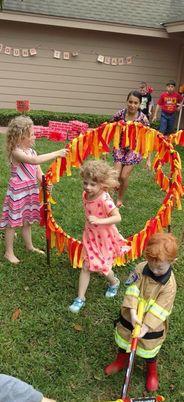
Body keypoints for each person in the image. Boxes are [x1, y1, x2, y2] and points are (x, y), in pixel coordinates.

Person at [104, 232, 178, 392]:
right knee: (124, 339)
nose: (155, 270)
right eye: (151, 265)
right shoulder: (140, 268)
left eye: (160, 267)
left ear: (172, 262)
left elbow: (161, 308)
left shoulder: (169, 286)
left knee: (149, 348)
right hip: (130, 316)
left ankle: (151, 370)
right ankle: (120, 360)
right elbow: (132, 289)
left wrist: (145, 327)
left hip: (152, 325)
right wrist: (131, 313)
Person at [0, 115, 68, 264]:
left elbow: (37, 171)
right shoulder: (16, 152)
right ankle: (8, 252)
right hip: (18, 191)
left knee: (27, 221)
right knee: (13, 222)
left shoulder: (32, 151)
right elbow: (33, 161)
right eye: (32, 134)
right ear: (21, 137)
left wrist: (44, 182)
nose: (35, 136)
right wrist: (57, 153)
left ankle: (29, 246)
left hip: (30, 189)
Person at [69, 160, 130, 314]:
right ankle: (80, 298)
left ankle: (114, 282)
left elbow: (118, 218)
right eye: (85, 183)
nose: (88, 188)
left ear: (102, 184)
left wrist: (100, 221)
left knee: (103, 266)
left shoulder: (105, 199)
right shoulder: (86, 195)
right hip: (90, 235)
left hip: (104, 237)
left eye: (92, 185)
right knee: (87, 265)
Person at [112, 90, 150, 208]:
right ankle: (109, 197)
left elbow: (148, 139)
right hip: (120, 147)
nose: (132, 105)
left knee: (123, 177)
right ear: (126, 101)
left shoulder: (143, 119)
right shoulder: (119, 115)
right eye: (130, 102)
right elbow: (109, 130)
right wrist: (103, 149)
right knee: (115, 175)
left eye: (135, 103)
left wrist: (148, 159)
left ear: (139, 105)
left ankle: (119, 199)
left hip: (134, 149)